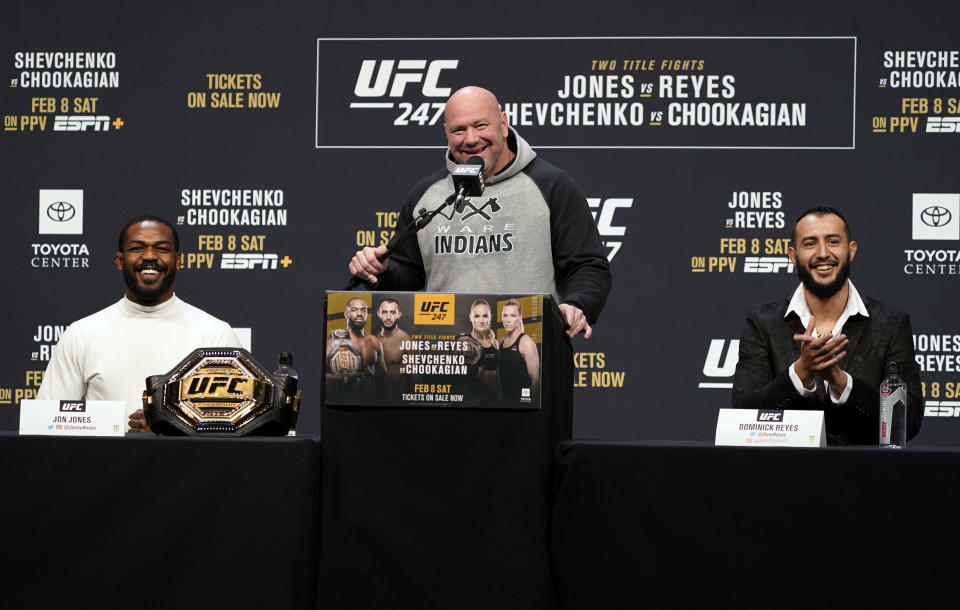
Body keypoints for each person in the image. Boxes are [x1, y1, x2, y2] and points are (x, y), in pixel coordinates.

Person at [347, 86, 611, 339]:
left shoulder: (552, 186)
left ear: (503, 124)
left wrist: (578, 304)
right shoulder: (426, 195)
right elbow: (407, 274)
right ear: (446, 133)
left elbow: (588, 266)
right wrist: (380, 270)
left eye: (481, 126)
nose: (471, 139)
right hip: (444, 355)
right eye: (459, 130)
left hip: (530, 347)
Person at [731, 206, 922, 445]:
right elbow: (741, 414)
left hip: (867, 476)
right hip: (784, 474)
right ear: (792, 255)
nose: (823, 253)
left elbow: (910, 421)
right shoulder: (763, 322)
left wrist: (841, 382)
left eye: (833, 241)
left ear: (851, 250)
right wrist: (801, 372)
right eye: (810, 243)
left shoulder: (891, 324)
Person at [37, 215, 241, 433]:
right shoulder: (82, 333)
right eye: (137, 248)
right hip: (102, 465)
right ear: (120, 260)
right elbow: (46, 422)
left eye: (161, 249)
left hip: (189, 466)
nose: (150, 256)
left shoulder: (215, 334)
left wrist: (170, 429)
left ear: (179, 260)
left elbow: (238, 425)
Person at [325, 297, 386, 382]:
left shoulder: (375, 342)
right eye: (354, 310)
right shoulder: (334, 342)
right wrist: (344, 378)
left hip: (369, 394)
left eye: (363, 310)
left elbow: (383, 376)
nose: (359, 313)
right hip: (344, 394)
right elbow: (321, 375)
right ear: (346, 314)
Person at [457, 298, 500, 398]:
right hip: (472, 399)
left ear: (490, 318)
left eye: (485, 316)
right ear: (470, 317)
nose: (481, 320)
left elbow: (497, 375)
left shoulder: (495, 343)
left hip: (493, 399)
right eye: (477, 316)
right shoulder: (462, 341)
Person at [499, 299, 540, 402]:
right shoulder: (500, 342)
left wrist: (530, 404)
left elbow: (535, 379)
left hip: (522, 403)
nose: (508, 320)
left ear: (519, 317)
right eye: (505, 315)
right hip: (504, 402)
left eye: (513, 316)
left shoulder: (526, 343)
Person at [376, 298, 410, 376]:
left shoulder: (406, 339)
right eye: (384, 312)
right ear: (379, 314)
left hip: (399, 388)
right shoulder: (375, 339)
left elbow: (415, 376)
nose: (388, 317)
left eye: (392, 312)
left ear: (399, 314)